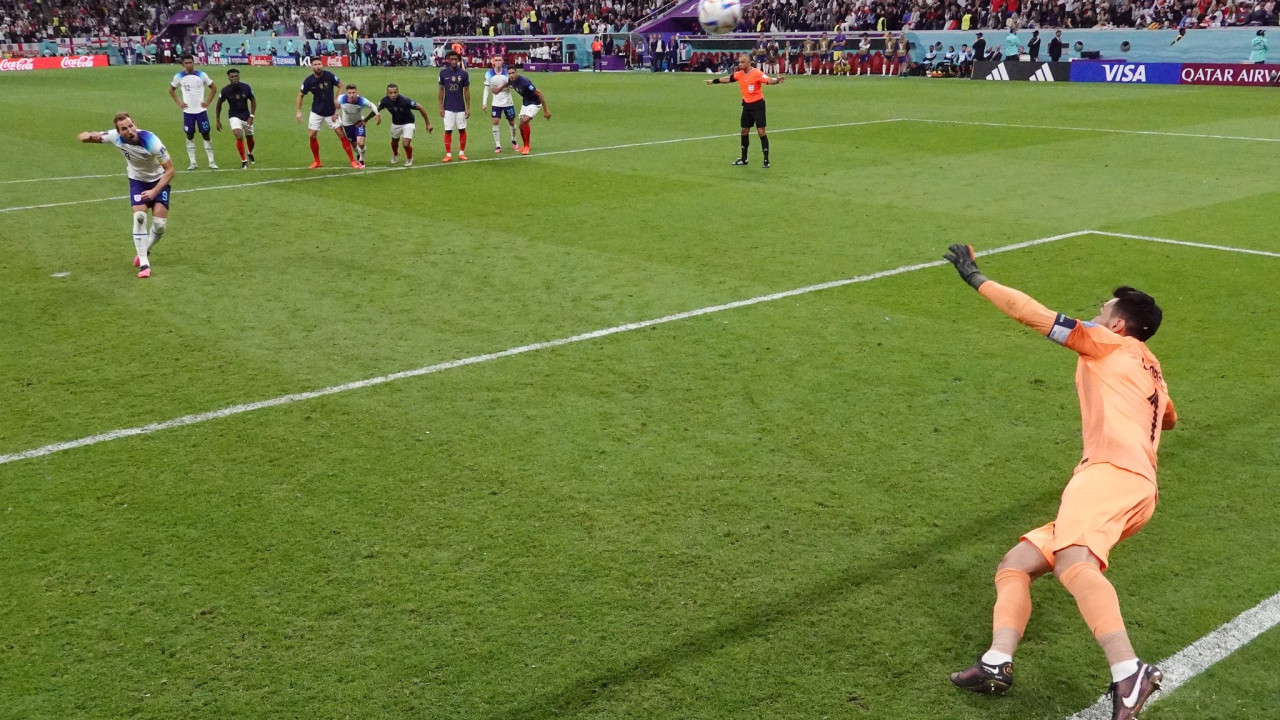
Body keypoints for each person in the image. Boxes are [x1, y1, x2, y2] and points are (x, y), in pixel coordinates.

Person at [942, 244, 1175, 720]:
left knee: (1073, 559)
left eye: (1102, 312)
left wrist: (976, 278)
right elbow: (1168, 418)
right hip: (1135, 486)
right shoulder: (1151, 367)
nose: (1094, 317)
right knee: (1017, 563)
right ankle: (996, 663)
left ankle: (1127, 671)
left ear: (1118, 325)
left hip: (1110, 473)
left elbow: (1035, 315)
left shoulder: (1106, 342)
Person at [77, 112, 175, 279]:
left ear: (134, 124)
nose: (130, 130)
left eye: (131, 126)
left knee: (159, 226)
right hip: (137, 180)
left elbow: (171, 170)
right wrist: (88, 136)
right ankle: (144, 263)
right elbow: (83, 137)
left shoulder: (152, 141)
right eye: (124, 128)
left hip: (158, 181)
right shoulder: (114, 137)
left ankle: (147, 249)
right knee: (139, 217)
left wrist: (154, 192)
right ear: (119, 131)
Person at [706, 53, 783, 168]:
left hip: (758, 105)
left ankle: (766, 160)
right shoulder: (740, 74)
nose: (740, 64)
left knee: (761, 131)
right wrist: (714, 81)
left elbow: (767, 80)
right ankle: (744, 159)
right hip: (747, 106)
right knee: (744, 131)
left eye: (742, 62)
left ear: (749, 62)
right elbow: (729, 78)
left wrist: (776, 81)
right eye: (739, 62)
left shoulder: (757, 73)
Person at [295, 57, 358, 169]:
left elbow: (340, 85)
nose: (318, 66)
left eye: (319, 64)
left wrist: (336, 98)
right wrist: (298, 111)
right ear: (312, 66)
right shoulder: (308, 81)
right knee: (312, 135)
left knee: (341, 134)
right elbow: (300, 95)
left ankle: (352, 160)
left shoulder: (329, 75)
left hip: (331, 112)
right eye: (315, 64)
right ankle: (317, 161)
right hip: (316, 111)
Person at [168, 54, 217, 171]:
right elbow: (171, 89)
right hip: (188, 112)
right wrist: (179, 103)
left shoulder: (202, 75)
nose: (189, 65)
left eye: (191, 62)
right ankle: (193, 162)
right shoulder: (179, 77)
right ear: (183, 64)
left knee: (206, 134)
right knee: (189, 135)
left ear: (193, 63)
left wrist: (208, 102)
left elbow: (213, 87)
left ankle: (211, 161)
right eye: (186, 63)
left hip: (201, 111)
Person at [492, 65, 550, 155]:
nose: (511, 75)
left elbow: (539, 94)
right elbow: (508, 83)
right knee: (520, 126)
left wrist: (545, 111)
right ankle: (524, 145)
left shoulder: (525, 83)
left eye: (513, 73)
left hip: (534, 103)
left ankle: (527, 146)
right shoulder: (511, 80)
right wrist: (499, 89)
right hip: (526, 102)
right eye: (509, 73)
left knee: (525, 120)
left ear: (517, 72)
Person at [378, 83, 433, 166]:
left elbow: (420, 107)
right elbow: (376, 109)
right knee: (394, 142)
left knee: (406, 144)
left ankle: (409, 158)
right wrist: (367, 119)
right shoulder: (384, 101)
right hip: (396, 123)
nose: (393, 95)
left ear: (398, 92)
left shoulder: (405, 101)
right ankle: (395, 154)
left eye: (395, 92)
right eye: (391, 93)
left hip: (408, 122)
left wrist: (428, 123)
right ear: (387, 93)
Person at [215, 68, 257, 170]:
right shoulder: (225, 90)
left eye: (236, 76)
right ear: (228, 78)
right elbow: (219, 104)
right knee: (239, 136)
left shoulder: (246, 87)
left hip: (246, 116)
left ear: (239, 76)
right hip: (234, 116)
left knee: (250, 138)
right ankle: (244, 161)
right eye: (232, 77)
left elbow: (253, 100)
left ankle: (250, 153)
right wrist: (218, 120)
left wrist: (251, 116)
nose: (234, 78)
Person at [438, 50, 471, 162]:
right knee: (448, 130)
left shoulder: (464, 74)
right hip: (448, 107)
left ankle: (461, 153)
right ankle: (448, 154)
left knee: (462, 129)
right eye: (451, 59)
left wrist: (467, 107)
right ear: (448, 60)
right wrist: (440, 106)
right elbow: (441, 90)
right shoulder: (443, 73)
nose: (453, 61)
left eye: (455, 59)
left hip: (460, 107)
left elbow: (466, 91)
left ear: (458, 60)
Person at [482, 55, 519, 154]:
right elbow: (486, 89)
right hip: (496, 102)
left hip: (507, 102)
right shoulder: (489, 74)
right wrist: (484, 103)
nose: (498, 62)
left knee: (511, 122)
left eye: (499, 60)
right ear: (493, 62)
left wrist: (501, 88)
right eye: (496, 60)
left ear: (502, 62)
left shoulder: (508, 73)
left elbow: (512, 85)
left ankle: (514, 140)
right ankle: (498, 145)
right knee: (495, 122)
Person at [337, 84, 380, 168]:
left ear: (357, 92)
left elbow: (372, 105)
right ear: (346, 93)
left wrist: (377, 114)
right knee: (355, 146)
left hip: (358, 123)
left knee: (360, 143)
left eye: (353, 92)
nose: (352, 95)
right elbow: (335, 105)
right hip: (347, 125)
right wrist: (335, 114)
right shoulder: (341, 99)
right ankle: (358, 154)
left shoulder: (361, 100)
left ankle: (362, 160)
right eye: (349, 93)